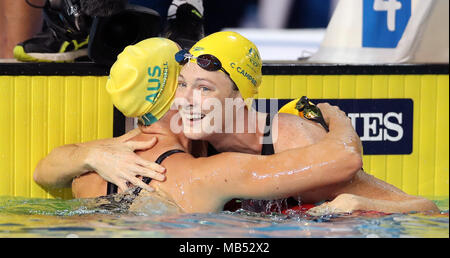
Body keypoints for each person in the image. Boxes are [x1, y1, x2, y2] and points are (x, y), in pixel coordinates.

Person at [34, 37, 364, 214]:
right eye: (184, 81)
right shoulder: (205, 174)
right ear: (174, 95)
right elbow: (343, 160)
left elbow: (43, 171)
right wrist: (337, 119)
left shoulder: (95, 169)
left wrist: (90, 155)